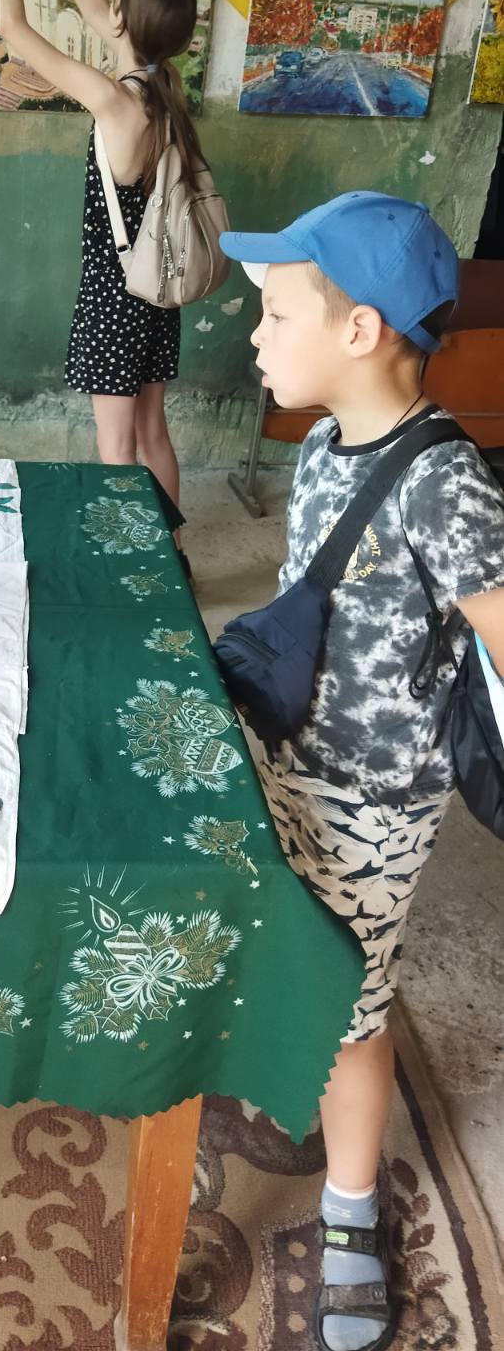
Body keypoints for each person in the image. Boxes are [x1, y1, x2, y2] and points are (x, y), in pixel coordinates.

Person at [219, 192, 504, 1351]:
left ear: (360, 329)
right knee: (296, 946)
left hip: (378, 805)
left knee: (353, 1004)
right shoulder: (327, 443)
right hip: (295, 759)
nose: (253, 334)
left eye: (277, 313)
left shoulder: (447, 481)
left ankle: (349, 1210)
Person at [0, 0, 208, 571]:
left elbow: (13, 28)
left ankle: (134, 569)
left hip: (114, 297)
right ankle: (172, 556)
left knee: (117, 448)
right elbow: (96, 10)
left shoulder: (116, 102)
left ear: (123, 17)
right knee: (152, 433)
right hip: (155, 292)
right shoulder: (163, 87)